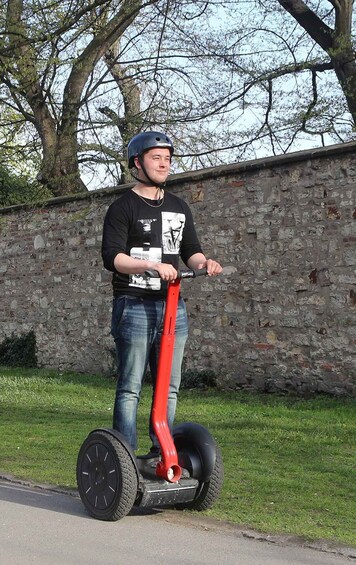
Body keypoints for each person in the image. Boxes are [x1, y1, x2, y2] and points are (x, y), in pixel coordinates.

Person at [101, 131, 222, 456]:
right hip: (134, 304)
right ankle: (124, 459)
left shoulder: (178, 207)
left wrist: (204, 262)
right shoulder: (122, 207)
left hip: (172, 308)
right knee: (130, 388)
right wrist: (150, 265)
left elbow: (191, 250)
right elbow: (113, 258)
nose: (164, 163)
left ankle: (160, 453)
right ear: (137, 163)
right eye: (156, 157)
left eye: (167, 158)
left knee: (169, 388)